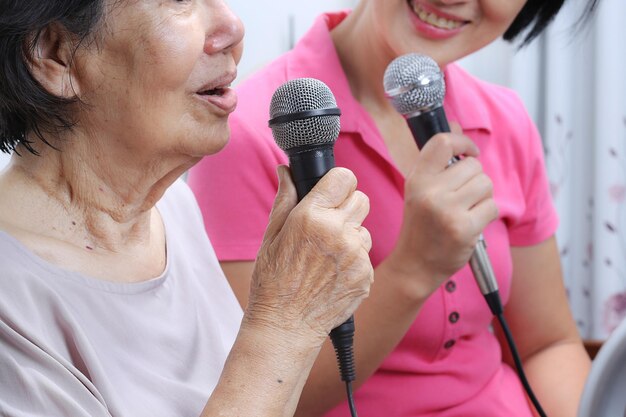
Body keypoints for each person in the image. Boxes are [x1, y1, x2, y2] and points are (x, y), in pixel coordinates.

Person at [187, 0, 600, 416]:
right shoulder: (246, 133)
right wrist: (416, 266)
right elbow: (257, 397)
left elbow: (547, 345)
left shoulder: (506, 118)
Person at [0, 1, 375, 416]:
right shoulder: (10, 303)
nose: (233, 28)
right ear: (55, 54)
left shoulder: (174, 206)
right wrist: (284, 322)